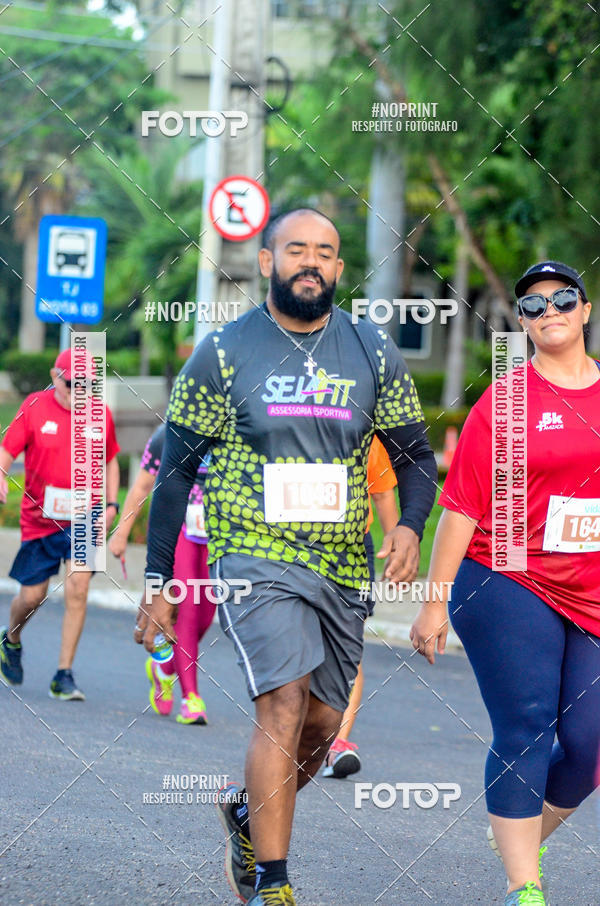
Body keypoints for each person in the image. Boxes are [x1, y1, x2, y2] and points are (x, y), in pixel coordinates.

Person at [142, 207, 437, 906]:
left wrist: (411, 527)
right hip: (253, 552)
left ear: (339, 268)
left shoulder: (372, 350)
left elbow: (416, 456)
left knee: (322, 725)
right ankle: (274, 884)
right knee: (282, 702)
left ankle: (248, 813)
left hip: (341, 563)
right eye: (296, 249)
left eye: (326, 252)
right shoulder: (224, 350)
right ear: (268, 260)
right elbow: (176, 470)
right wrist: (159, 579)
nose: (312, 261)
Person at [410, 260, 600, 906]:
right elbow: (460, 506)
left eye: (562, 300)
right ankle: (525, 885)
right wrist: (432, 604)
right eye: (533, 306)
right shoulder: (509, 399)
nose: (549, 312)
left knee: (588, 743)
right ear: (521, 323)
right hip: (506, 574)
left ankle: (519, 831)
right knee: (527, 722)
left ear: (585, 309)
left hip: (591, 586)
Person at [0, 348, 120, 700]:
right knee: (32, 596)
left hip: (86, 515)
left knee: (78, 587)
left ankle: (63, 674)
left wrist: (111, 505)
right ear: (56, 377)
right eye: (72, 384)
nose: (79, 392)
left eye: (87, 386)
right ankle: (11, 639)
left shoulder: (100, 415)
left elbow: (110, 461)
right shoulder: (35, 407)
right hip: (40, 519)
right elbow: (6, 451)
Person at [108, 423, 214, 724]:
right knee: (188, 612)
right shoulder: (165, 435)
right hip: (179, 529)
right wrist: (121, 534)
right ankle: (191, 698)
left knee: (206, 614)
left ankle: (164, 669)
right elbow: (142, 487)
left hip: (215, 534)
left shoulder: (233, 431)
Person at [323, 435, 399, 778]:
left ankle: (337, 745)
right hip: (291, 546)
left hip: (353, 549)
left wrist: (396, 545)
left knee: (348, 648)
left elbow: (382, 492)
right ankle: (298, 735)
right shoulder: (285, 420)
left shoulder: (364, 431)